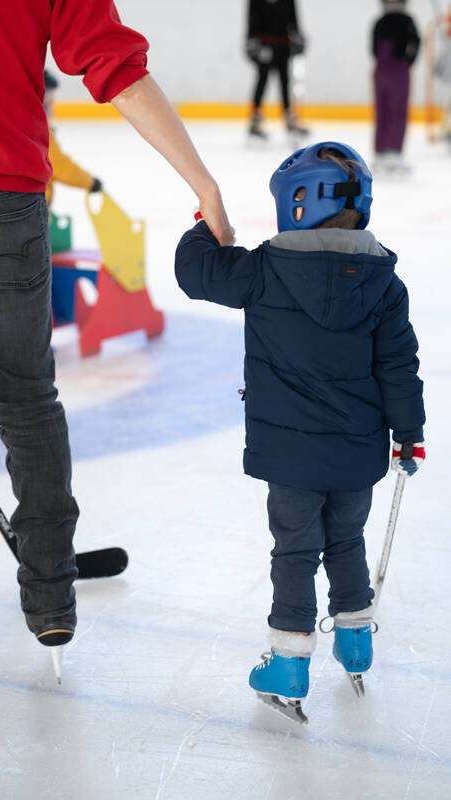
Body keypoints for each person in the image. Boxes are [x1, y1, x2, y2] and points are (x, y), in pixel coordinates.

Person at [0, 0, 233, 664]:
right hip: (4, 207)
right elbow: (114, 65)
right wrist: (199, 180)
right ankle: (51, 599)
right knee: (29, 407)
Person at [175, 141, 425, 722]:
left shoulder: (262, 269)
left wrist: (205, 224)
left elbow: (194, 273)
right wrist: (408, 433)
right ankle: (355, 640)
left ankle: (288, 662)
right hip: (357, 454)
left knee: (295, 551)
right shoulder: (384, 283)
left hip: (289, 458)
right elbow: (398, 366)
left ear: (295, 205)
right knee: (345, 542)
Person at [371, 0, 421, 173]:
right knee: (387, 109)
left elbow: (373, 48)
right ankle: (384, 150)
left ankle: (389, 150)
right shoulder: (394, 21)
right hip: (392, 68)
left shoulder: (385, 21)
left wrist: (407, 62)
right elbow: (416, 43)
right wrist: (408, 61)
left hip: (391, 68)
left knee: (393, 109)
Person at [246, 0, 307, 139]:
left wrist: (297, 36)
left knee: (285, 80)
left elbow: (293, 19)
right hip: (265, 44)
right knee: (262, 80)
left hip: (283, 44)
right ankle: (255, 119)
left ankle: (289, 118)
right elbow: (251, 22)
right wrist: (253, 42)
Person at [43, 70, 103, 209]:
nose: (52, 111)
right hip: (29, 210)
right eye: (48, 104)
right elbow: (59, 166)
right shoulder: (40, 136)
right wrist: (90, 182)